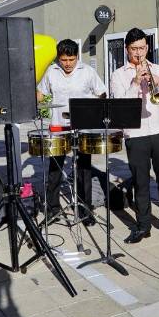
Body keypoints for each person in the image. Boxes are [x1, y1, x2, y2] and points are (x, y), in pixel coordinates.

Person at [110, 28, 159, 244]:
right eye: (134, 48)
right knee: (140, 183)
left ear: (147, 48)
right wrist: (135, 83)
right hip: (135, 134)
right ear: (127, 49)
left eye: (142, 48)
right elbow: (119, 109)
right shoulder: (118, 75)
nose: (139, 53)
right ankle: (143, 226)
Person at [36, 39, 107, 225]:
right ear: (59, 58)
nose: (67, 64)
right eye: (63, 60)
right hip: (59, 127)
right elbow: (40, 93)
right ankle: (53, 209)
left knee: (84, 168)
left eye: (71, 59)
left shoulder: (87, 72)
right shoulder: (52, 71)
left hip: (82, 126)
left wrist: (96, 109)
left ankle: (85, 210)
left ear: (77, 57)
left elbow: (102, 93)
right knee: (55, 169)